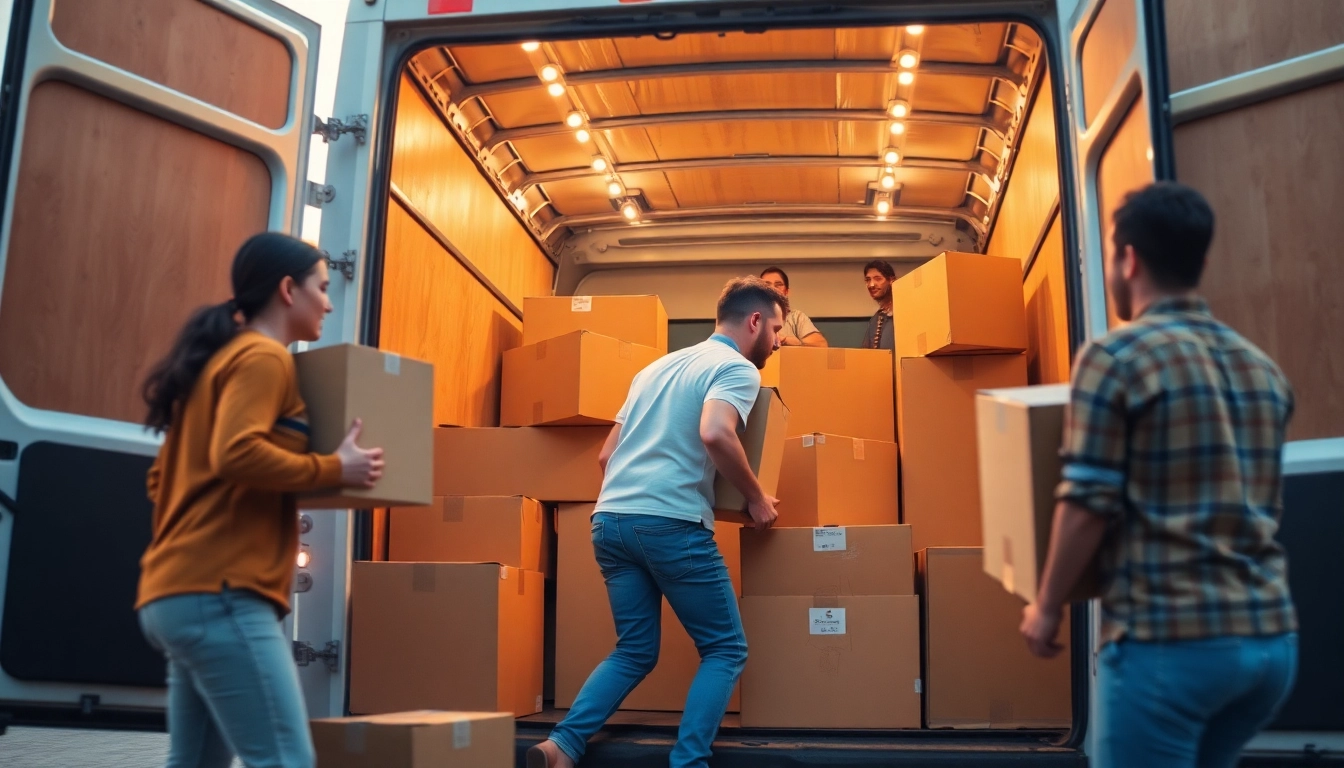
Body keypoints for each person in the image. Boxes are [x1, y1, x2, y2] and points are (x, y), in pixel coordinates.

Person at [1019, 183, 1297, 768]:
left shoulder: (1117, 356)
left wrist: (1046, 607)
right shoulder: (1262, 367)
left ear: (1129, 259)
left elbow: (1088, 499)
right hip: (1270, 643)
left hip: (1174, 640)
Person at [137, 233, 384, 768]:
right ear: (288, 289)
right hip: (222, 594)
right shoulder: (264, 359)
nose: (330, 300)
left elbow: (164, 481)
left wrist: (262, 504)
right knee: (285, 760)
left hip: (176, 592)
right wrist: (333, 468)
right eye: (322, 287)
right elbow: (237, 453)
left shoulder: (218, 366)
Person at [528, 277, 786, 768]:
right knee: (726, 649)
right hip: (669, 523)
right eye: (775, 329)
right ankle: (688, 762)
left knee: (634, 650)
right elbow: (715, 432)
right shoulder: (735, 368)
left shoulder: (654, 368)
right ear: (754, 322)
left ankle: (562, 745)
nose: (777, 341)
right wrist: (755, 498)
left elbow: (607, 456)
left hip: (609, 523)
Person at [759, 266, 827, 347]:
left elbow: (821, 345)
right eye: (767, 285)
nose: (773, 289)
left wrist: (797, 344)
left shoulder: (796, 317)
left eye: (778, 285)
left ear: (787, 292)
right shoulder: (750, 317)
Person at [861, 260, 896, 350]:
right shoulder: (876, 320)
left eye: (878, 279)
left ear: (891, 280)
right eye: (868, 280)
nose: (871, 285)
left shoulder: (905, 311)